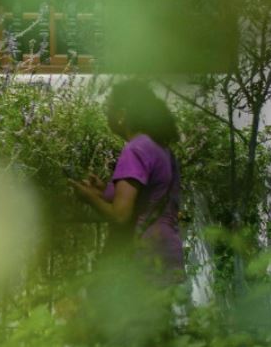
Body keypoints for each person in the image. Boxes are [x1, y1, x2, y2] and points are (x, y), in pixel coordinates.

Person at [70, 80, 185, 276]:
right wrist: (103, 191)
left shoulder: (135, 149)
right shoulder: (161, 148)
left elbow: (120, 215)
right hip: (168, 252)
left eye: (109, 109)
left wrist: (89, 198)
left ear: (122, 115)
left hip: (143, 258)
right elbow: (148, 199)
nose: (107, 115)